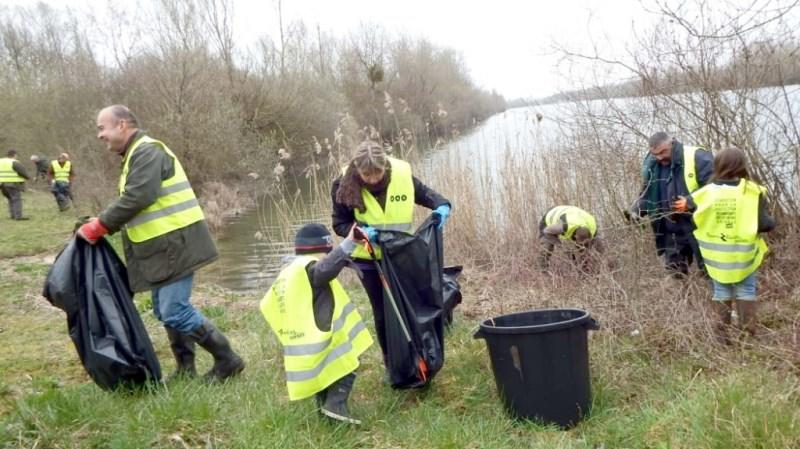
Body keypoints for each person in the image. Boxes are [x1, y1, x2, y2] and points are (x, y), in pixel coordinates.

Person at [77, 105, 244, 382]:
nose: (99, 135)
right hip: (165, 247)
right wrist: (102, 220)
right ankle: (185, 369)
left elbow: (139, 197)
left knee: (174, 310)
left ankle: (228, 360)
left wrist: (99, 226)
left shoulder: (147, 151)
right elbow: (136, 200)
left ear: (122, 125)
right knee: (164, 310)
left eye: (101, 127)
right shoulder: (134, 155)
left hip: (176, 244)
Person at [331, 140, 451, 374]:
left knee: (408, 305)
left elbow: (426, 194)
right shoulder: (343, 184)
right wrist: (360, 232)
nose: (373, 179)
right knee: (383, 311)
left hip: (399, 254)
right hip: (367, 258)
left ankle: (418, 354)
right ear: (357, 171)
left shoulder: (402, 174)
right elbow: (339, 223)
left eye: (378, 172)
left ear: (385, 166)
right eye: (367, 174)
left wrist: (442, 205)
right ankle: (392, 362)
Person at [260, 223, 373, 425]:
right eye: (327, 253)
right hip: (322, 338)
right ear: (321, 250)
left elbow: (267, 304)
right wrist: (349, 244)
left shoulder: (290, 272)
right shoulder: (311, 268)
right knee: (346, 364)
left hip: (303, 342)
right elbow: (325, 268)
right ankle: (335, 406)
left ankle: (325, 408)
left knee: (325, 374)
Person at [684, 147, 776, 342]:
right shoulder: (752, 191)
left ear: (718, 165)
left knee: (721, 291)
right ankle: (747, 338)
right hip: (744, 255)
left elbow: (693, 220)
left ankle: (720, 338)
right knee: (746, 290)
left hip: (716, 258)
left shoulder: (705, 193)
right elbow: (765, 224)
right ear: (742, 166)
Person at [630, 132, 713, 276]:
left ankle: (713, 297)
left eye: (663, 152)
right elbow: (647, 194)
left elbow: (718, 188)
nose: (660, 157)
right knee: (676, 275)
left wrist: (691, 202)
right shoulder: (653, 166)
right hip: (671, 230)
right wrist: (636, 209)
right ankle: (684, 298)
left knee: (710, 272)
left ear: (673, 143)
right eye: (655, 154)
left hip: (700, 227)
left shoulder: (697, 157)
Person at [538, 205, 605, 271]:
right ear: (575, 236)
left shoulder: (593, 228)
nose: (583, 246)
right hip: (549, 219)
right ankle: (542, 270)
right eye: (581, 243)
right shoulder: (562, 227)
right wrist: (561, 246)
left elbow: (600, 248)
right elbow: (546, 231)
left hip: (571, 213)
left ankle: (583, 269)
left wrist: (602, 262)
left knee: (584, 249)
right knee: (547, 246)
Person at [0, 149, 30, 220]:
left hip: (2, 184)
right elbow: (24, 173)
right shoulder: (14, 162)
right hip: (12, 183)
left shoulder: (1, 161)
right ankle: (18, 216)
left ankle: (13, 215)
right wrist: (28, 177)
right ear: (15, 155)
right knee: (17, 200)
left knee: (10, 199)